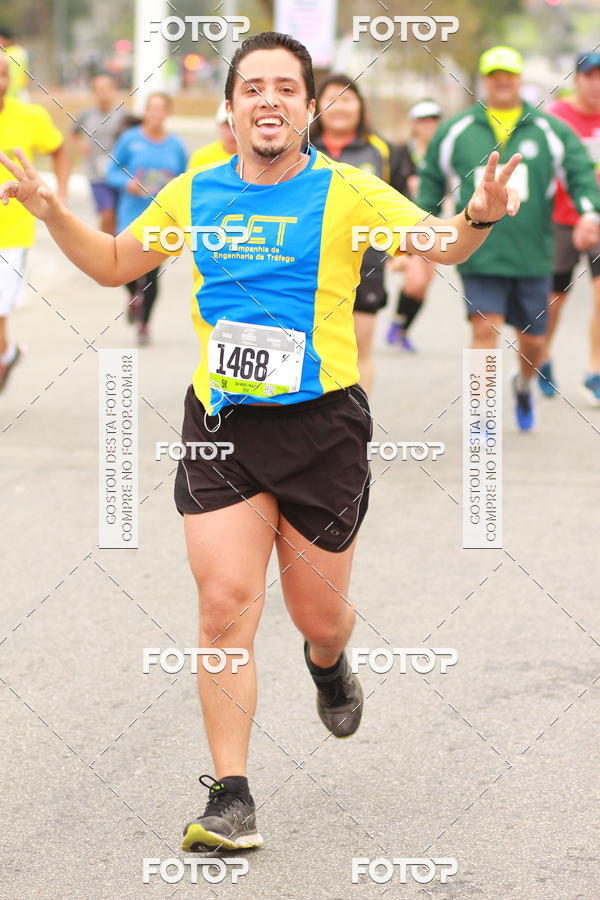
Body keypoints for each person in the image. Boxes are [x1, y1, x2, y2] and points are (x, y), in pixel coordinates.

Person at [0, 30, 521, 852]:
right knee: (222, 608)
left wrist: (480, 212)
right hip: (222, 428)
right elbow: (109, 264)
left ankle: (327, 664)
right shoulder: (194, 192)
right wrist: (51, 209)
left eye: (286, 87)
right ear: (231, 108)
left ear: (311, 109)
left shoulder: (350, 189)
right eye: (252, 88)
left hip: (324, 430)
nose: (268, 100)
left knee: (321, 617)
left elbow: (443, 243)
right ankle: (231, 796)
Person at [418, 46, 600, 431]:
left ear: (519, 79)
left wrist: (589, 213)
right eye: (494, 74)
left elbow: (580, 173)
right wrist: (422, 232)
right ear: (484, 79)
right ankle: (482, 417)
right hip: (479, 250)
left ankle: (523, 383)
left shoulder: (548, 129)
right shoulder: (457, 131)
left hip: (534, 254)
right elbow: (431, 182)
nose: (502, 81)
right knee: (485, 326)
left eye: (509, 74)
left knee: (533, 341)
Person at [312, 74, 415, 393]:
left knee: (358, 349)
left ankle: (356, 424)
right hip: (307, 265)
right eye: (331, 99)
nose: (339, 106)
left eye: (347, 98)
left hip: (365, 266)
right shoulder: (299, 149)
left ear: (360, 106)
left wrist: (403, 251)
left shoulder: (384, 151)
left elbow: (401, 204)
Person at [0, 55, 68, 391]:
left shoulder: (30, 116)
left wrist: (62, 191)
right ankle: (7, 354)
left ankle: (5, 353)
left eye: (1, 75)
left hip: (12, 235)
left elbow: (59, 149)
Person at [539, 52, 600, 404]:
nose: (595, 84)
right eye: (589, 76)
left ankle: (594, 371)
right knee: (556, 298)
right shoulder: (557, 117)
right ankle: (541, 355)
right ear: (577, 79)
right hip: (560, 218)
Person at [105, 92, 187, 344]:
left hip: (162, 220)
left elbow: (185, 180)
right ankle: (133, 297)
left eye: (161, 109)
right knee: (125, 269)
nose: (156, 114)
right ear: (145, 112)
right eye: (151, 109)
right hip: (130, 216)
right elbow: (110, 172)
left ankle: (144, 324)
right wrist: (127, 184)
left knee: (152, 275)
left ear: (167, 113)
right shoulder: (130, 140)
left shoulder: (176, 146)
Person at [386, 99, 443, 351]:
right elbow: (388, 187)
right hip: (405, 225)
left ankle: (401, 326)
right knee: (415, 281)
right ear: (413, 124)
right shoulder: (400, 152)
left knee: (422, 287)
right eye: (423, 120)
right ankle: (398, 326)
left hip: (434, 224)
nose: (429, 125)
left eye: (433, 119)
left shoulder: (442, 153)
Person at [71, 73, 130, 235]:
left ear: (113, 90)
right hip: (96, 174)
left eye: (106, 89)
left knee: (119, 216)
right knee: (107, 214)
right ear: (94, 92)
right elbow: (73, 133)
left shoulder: (123, 115)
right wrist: (81, 145)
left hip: (119, 172)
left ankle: (118, 248)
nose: (103, 93)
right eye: (98, 90)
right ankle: (105, 247)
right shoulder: (86, 114)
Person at [188, 99, 236, 170]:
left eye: (235, 125)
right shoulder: (201, 157)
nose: (231, 131)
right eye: (226, 125)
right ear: (218, 125)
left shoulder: (253, 159)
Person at [0, 26, 29, 100]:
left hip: (13, 97)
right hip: (20, 94)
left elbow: (13, 80)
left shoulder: (11, 55)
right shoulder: (19, 51)